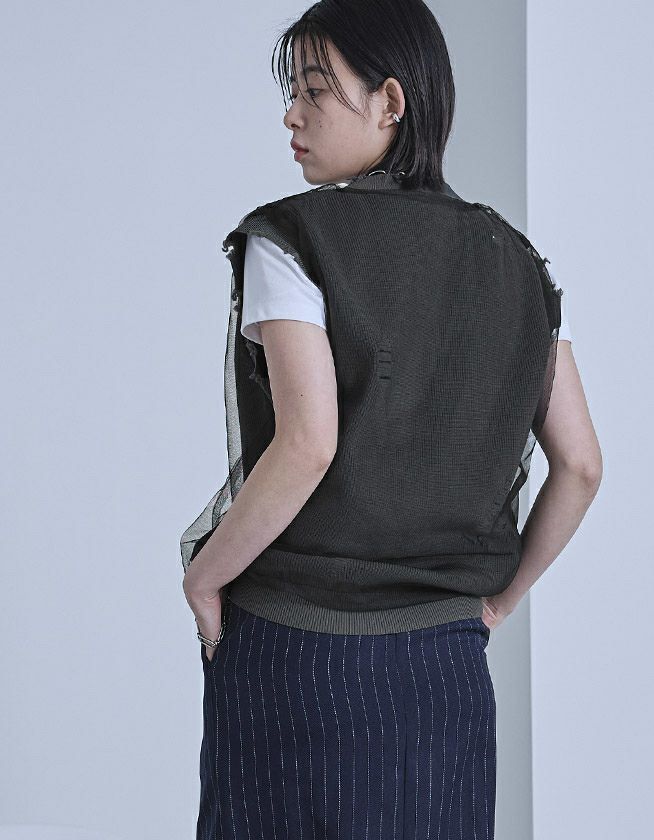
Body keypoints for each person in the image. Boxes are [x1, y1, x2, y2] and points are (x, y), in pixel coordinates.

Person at [181, 2, 603, 838]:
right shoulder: (519, 264)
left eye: (314, 90)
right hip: (446, 671)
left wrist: (203, 577)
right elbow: (582, 464)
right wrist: (496, 604)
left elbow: (307, 443)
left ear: (391, 102)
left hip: (294, 656)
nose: (292, 114)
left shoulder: (290, 241)